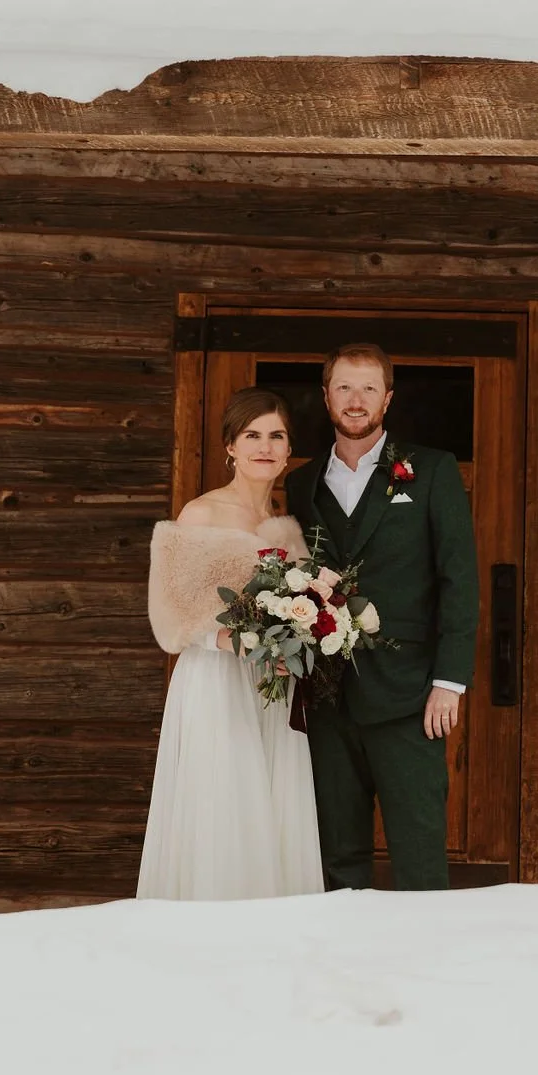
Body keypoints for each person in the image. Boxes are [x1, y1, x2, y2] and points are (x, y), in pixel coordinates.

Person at [285, 344, 479, 890]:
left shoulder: (432, 470)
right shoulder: (301, 485)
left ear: (388, 398)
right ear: (325, 397)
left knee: (419, 858)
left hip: (409, 697)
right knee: (337, 860)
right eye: (344, 387)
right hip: (327, 697)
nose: (356, 399)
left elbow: (459, 580)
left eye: (369, 388)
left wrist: (449, 683)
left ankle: (423, 969)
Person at [137, 387, 324, 901]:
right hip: (218, 682)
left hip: (272, 686)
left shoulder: (287, 529)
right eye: (252, 435)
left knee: (270, 805)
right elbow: (170, 612)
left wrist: (301, 638)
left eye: (276, 436)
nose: (265, 446)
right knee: (225, 801)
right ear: (231, 447)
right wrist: (231, 639)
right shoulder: (202, 514)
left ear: (289, 451)